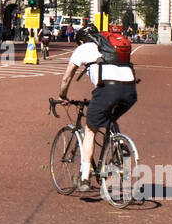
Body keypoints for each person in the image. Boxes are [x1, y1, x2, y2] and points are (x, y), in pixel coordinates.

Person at [58, 27, 137, 193]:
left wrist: (63, 96)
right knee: (111, 116)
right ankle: (119, 144)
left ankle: (85, 177)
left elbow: (67, 78)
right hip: (130, 90)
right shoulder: (109, 45)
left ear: (80, 40)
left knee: (91, 129)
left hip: (107, 89)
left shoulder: (82, 48)